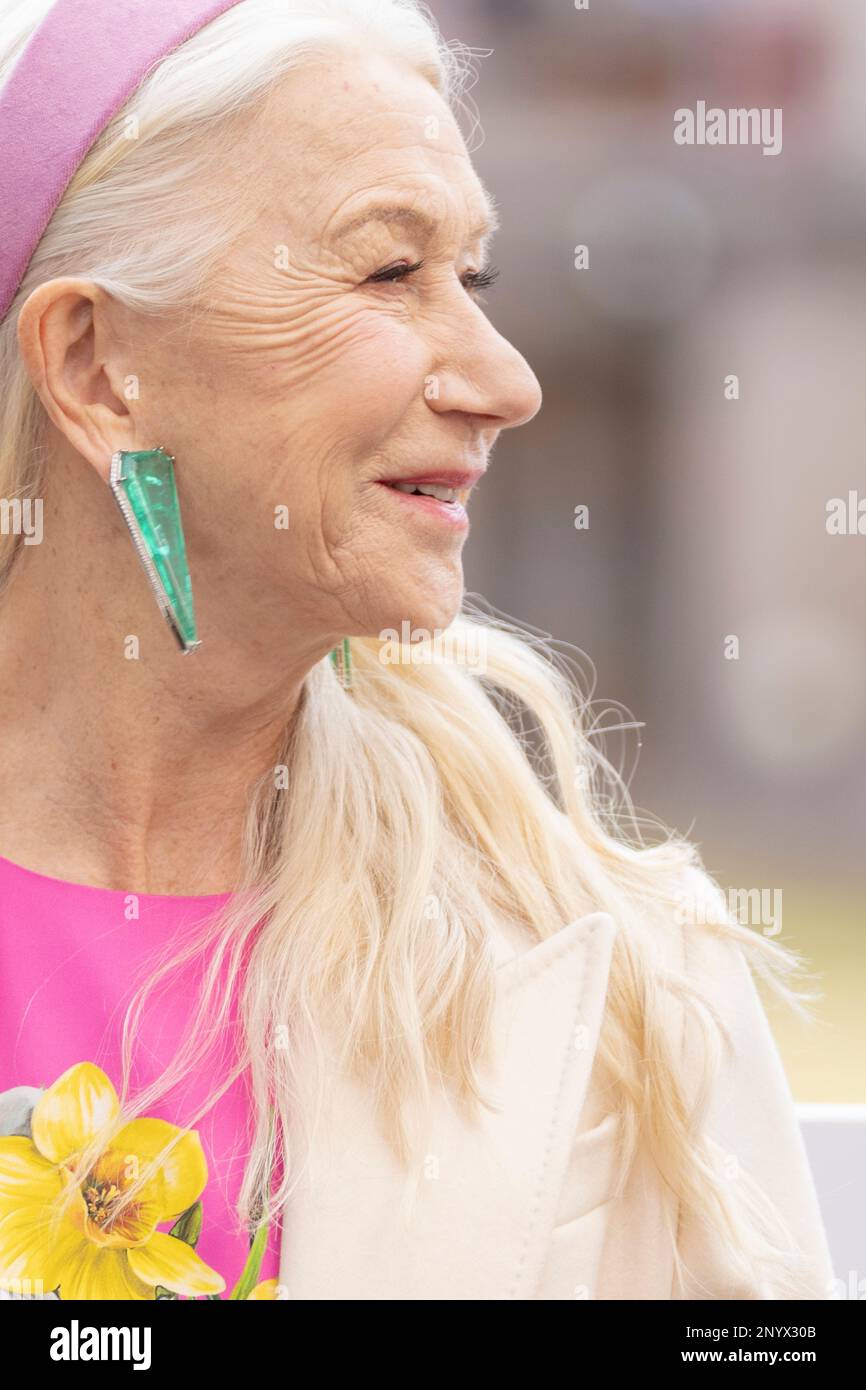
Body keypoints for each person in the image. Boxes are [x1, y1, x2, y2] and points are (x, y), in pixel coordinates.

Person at [0, 0, 834, 1300]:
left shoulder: (620, 981)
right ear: (100, 365)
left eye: (473, 279)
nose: (506, 381)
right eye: (390, 272)